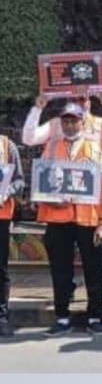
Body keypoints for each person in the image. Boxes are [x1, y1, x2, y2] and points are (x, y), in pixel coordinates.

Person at [23, 90, 102, 301]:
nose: (79, 102)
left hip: (89, 206)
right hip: (59, 206)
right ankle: (66, 297)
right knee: (61, 262)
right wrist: (37, 108)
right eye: (74, 98)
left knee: (95, 260)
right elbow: (29, 139)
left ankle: (99, 299)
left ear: (90, 102)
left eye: (83, 98)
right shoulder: (57, 124)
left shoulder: (101, 124)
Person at [33, 102, 102, 337]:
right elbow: (41, 184)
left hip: (89, 219)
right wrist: (51, 201)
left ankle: (95, 317)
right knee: (60, 270)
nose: (69, 125)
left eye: (73, 121)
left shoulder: (94, 148)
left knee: (94, 269)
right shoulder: (51, 147)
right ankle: (62, 318)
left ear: (82, 122)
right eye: (65, 121)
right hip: (58, 219)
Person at [0, 131, 24, 339]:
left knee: (0, 269)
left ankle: (1, 317)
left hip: (1, 216)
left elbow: (19, 181)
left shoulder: (8, 146)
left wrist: (6, 192)